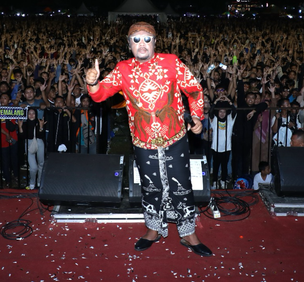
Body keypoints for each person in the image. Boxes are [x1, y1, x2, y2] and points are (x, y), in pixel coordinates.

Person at [85, 21, 211, 257]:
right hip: (143, 141)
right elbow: (101, 95)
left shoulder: (171, 62)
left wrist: (196, 117)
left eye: (146, 39)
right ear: (129, 44)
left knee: (182, 185)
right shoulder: (123, 69)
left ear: (155, 42)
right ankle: (153, 229)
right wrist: (92, 83)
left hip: (175, 137)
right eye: (136, 39)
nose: (141, 44)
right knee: (150, 186)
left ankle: (187, 233)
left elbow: (194, 90)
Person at [18, 107, 45, 189]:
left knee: (41, 164)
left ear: (36, 114)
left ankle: (40, 182)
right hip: (29, 144)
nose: (31, 115)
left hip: (39, 142)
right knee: (33, 167)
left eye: (33, 113)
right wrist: (20, 127)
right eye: (29, 113)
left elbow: (41, 136)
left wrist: (41, 127)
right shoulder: (25, 124)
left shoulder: (39, 122)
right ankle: (32, 182)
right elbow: (22, 137)